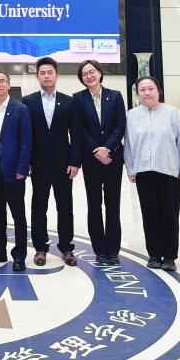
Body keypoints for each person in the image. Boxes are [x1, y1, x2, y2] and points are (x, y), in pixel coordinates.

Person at [124, 76, 180, 272]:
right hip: (143, 171)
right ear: (138, 93)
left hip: (169, 170)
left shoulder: (173, 113)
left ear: (158, 90)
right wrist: (131, 168)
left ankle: (170, 256)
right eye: (142, 90)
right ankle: (154, 254)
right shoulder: (131, 115)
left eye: (150, 89)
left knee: (170, 214)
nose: (147, 93)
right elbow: (128, 144)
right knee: (149, 214)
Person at [22, 57, 80, 266]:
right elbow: (25, 135)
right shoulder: (28, 101)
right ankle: (40, 248)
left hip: (64, 164)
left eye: (50, 72)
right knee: (39, 206)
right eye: (42, 73)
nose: (46, 76)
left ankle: (66, 248)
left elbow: (76, 134)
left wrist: (75, 161)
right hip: (37, 164)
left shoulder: (69, 102)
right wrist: (26, 161)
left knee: (65, 206)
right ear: (37, 76)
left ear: (57, 75)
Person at [72, 59, 127, 266]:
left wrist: (107, 148)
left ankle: (113, 250)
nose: (89, 76)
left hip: (113, 158)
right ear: (81, 78)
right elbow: (79, 128)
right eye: (84, 73)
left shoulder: (115, 96)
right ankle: (99, 249)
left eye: (92, 71)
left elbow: (121, 125)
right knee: (94, 205)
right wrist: (97, 150)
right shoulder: (78, 98)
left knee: (113, 205)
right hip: (91, 159)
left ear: (100, 73)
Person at [0, 71, 32, 271]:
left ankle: (19, 254)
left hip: (14, 169)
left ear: (9, 85)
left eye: (2, 81)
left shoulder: (21, 109)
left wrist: (22, 167)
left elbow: (26, 142)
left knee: (18, 213)